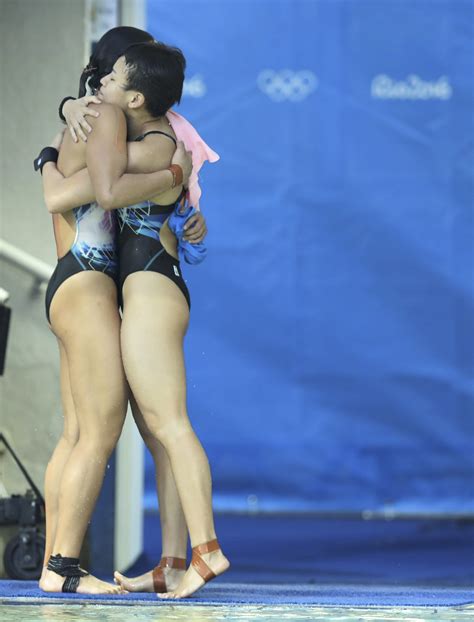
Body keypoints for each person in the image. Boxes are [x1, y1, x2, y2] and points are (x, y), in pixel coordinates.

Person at [42, 40, 230, 599]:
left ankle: (187, 555)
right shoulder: (108, 124)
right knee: (105, 432)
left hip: (122, 285)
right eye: (103, 78)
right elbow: (99, 190)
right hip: (96, 284)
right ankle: (65, 566)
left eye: (113, 80)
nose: (102, 90)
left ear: (136, 93)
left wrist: (52, 161)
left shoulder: (122, 129)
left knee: (144, 428)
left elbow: (84, 191)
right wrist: (172, 173)